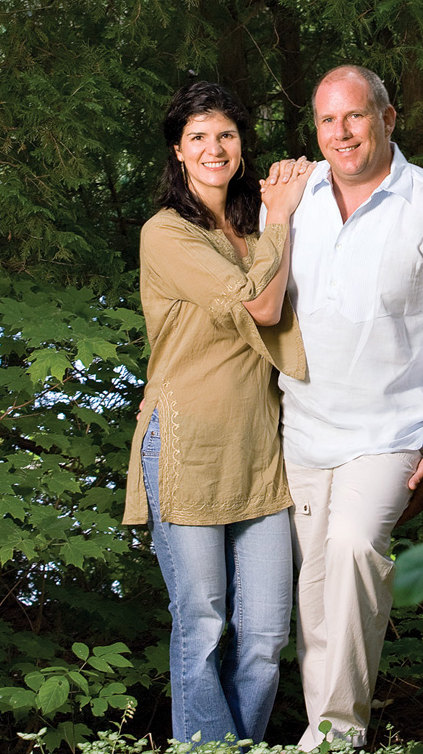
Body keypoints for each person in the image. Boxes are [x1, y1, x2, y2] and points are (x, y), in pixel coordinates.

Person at [262, 65, 423, 750]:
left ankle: (338, 738)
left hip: (391, 431)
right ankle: (327, 731)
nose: (341, 133)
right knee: (314, 594)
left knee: (353, 550)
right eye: (326, 120)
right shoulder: (295, 196)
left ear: (387, 118)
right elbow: (261, 302)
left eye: (354, 116)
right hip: (305, 430)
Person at [123, 81, 314, 744]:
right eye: (198, 136)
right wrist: (284, 213)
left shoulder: (258, 228)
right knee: (201, 625)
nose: (213, 147)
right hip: (185, 448)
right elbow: (263, 307)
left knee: (265, 634)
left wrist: (283, 210)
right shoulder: (167, 233)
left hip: (260, 455)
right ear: (178, 151)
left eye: (226, 134)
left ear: (241, 145)